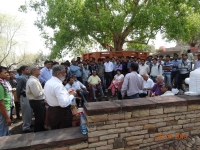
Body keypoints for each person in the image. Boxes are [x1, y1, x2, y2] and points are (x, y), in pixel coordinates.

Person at [44, 65, 77, 129]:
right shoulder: (58, 85)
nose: (65, 74)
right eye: (64, 72)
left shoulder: (48, 82)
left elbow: (55, 96)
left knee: (55, 132)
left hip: (53, 112)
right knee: (64, 133)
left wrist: (66, 93)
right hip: (61, 114)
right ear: (58, 74)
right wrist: (72, 95)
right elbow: (63, 104)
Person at [26, 66, 46, 132]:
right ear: (33, 71)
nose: (40, 70)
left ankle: (41, 130)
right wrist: (44, 90)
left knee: (40, 117)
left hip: (37, 101)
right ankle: (38, 132)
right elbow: (37, 94)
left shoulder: (34, 80)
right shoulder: (33, 81)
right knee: (39, 118)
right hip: (37, 101)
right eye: (38, 69)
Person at [16, 65, 33, 133]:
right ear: (22, 71)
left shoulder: (28, 77)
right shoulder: (21, 78)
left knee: (30, 111)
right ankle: (26, 127)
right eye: (26, 69)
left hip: (29, 96)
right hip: (24, 96)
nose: (28, 70)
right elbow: (18, 88)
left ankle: (29, 124)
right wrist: (18, 98)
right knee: (26, 112)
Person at [0, 66, 12, 136]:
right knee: (2, 130)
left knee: (5, 128)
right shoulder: (0, 85)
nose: (6, 74)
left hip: (6, 108)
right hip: (4, 110)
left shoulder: (3, 83)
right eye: (4, 73)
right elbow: (1, 104)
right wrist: (7, 117)